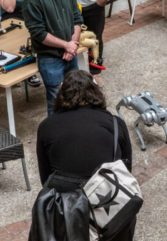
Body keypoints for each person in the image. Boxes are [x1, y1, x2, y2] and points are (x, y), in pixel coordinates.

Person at [36, 70, 134, 239]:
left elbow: (46, 178)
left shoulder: (46, 126)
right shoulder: (116, 124)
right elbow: (125, 170)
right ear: (96, 93)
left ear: (61, 95)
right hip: (109, 201)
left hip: (66, 208)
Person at [23, 0, 83, 115]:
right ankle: (57, 138)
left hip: (71, 54)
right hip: (50, 59)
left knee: (76, 96)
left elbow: (77, 19)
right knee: (55, 103)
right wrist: (67, 45)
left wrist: (72, 45)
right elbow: (38, 33)